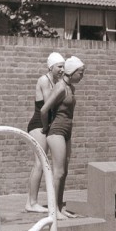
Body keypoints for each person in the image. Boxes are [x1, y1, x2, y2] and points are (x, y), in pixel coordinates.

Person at [41, 56, 85, 219]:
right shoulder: (60, 87)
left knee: (64, 172)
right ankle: (54, 210)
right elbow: (44, 110)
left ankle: (60, 207)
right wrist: (46, 128)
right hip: (57, 131)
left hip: (67, 132)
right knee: (58, 172)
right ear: (72, 72)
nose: (82, 76)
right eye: (80, 72)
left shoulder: (70, 88)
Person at [24, 52, 64, 213]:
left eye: (63, 67)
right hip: (39, 125)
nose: (62, 70)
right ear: (51, 67)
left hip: (48, 125)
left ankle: (33, 201)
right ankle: (31, 203)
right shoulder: (44, 80)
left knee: (45, 163)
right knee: (40, 162)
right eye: (59, 67)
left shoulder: (56, 82)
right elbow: (48, 105)